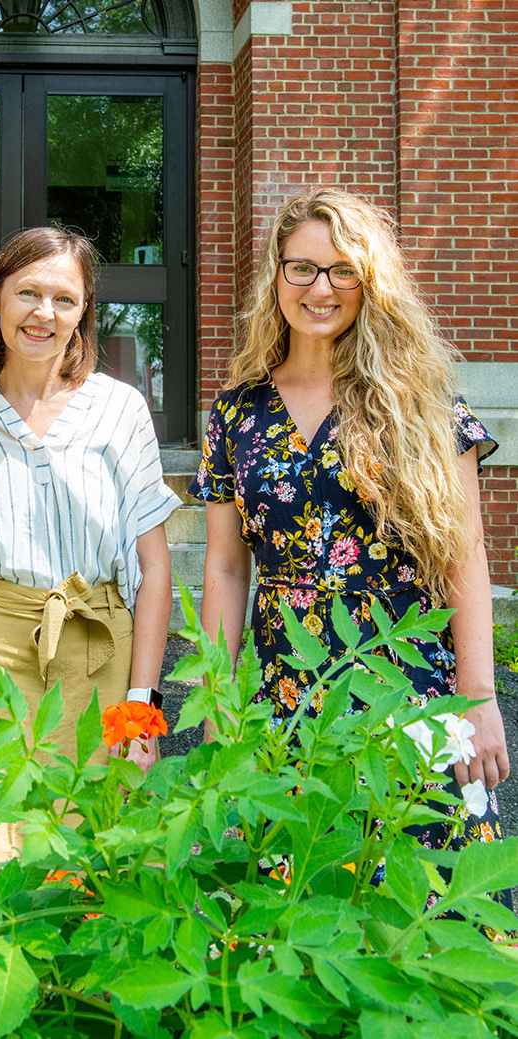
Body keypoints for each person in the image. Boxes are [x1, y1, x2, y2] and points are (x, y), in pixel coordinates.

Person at [189, 187, 512, 926]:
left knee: (426, 897)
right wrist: (215, 710)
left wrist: (479, 700)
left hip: (409, 687)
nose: (320, 288)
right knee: (292, 903)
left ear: (371, 281)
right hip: (283, 692)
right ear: (275, 277)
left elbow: (463, 556)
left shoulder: (420, 400)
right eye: (301, 269)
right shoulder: (235, 412)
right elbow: (225, 569)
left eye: (341, 270)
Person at [0, 226, 180, 877]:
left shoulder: (120, 410)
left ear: (83, 310)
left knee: (93, 857)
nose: (43, 312)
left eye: (63, 298)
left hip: (98, 650)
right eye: (27, 293)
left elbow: (153, 571)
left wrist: (140, 709)